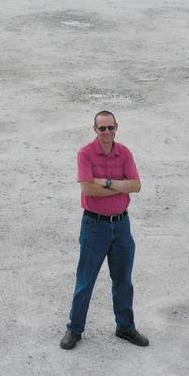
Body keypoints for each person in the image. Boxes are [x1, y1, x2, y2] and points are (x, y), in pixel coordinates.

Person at [62, 110, 148, 350]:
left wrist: (105, 182)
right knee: (85, 280)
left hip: (121, 226)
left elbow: (137, 185)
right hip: (94, 226)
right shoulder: (86, 154)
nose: (107, 132)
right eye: (103, 128)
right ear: (95, 130)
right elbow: (89, 190)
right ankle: (74, 329)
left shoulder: (125, 152)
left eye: (111, 128)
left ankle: (125, 327)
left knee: (123, 280)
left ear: (116, 127)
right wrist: (121, 187)